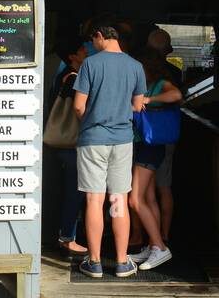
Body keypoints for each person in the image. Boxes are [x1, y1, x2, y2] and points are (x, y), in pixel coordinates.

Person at [73, 25, 147, 278]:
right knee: (118, 199)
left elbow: (78, 106)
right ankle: (122, 261)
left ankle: (94, 262)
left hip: (93, 139)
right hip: (123, 140)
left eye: (93, 40)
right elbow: (138, 106)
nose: (92, 45)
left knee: (94, 200)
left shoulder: (90, 65)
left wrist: (92, 118)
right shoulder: (136, 66)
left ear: (101, 37)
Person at [128, 48, 182, 271]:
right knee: (149, 198)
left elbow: (176, 95)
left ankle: (160, 247)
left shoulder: (160, 84)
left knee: (135, 199)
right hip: (144, 146)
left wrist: (149, 99)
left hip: (151, 147)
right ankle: (153, 244)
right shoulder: (141, 85)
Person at [51, 37, 90, 256]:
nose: (87, 52)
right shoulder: (74, 78)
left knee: (71, 190)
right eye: (83, 50)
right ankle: (67, 238)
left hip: (65, 146)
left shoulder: (64, 75)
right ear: (72, 57)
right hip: (70, 144)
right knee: (74, 191)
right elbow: (80, 109)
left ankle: (67, 235)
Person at [146, 27, 183, 245]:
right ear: (167, 49)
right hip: (168, 134)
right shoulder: (174, 73)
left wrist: (148, 101)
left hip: (149, 135)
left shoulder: (147, 74)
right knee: (164, 186)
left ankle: (151, 238)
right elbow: (180, 97)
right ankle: (165, 234)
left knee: (146, 191)